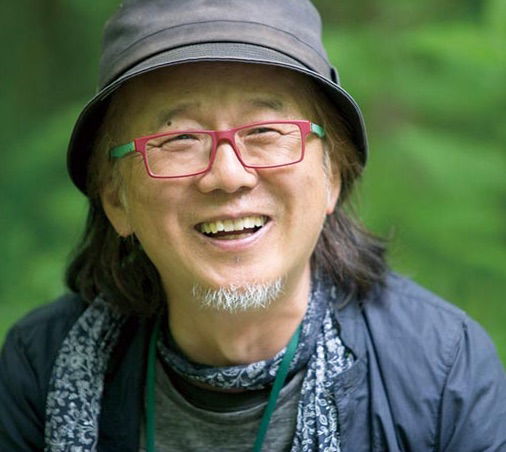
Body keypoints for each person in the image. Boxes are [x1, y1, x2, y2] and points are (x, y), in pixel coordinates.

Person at [1, 0, 505, 450]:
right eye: (178, 140)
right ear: (116, 198)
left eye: (266, 131)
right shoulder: (41, 368)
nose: (228, 175)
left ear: (332, 173)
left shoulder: (442, 373)